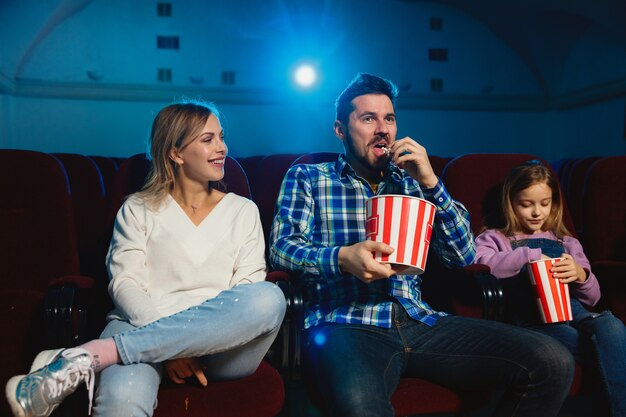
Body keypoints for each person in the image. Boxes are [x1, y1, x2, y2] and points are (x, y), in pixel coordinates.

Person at [269, 73, 575, 417]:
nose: (382, 128)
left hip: (419, 319)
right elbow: (283, 248)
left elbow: (463, 256)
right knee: (361, 407)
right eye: (368, 118)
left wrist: (431, 181)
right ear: (340, 129)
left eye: (389, 118)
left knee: (552, 361)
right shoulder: (310, 177)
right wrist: (342, 258)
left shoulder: (413, 180)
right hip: (346, 322)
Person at [5, 100, 286, 417]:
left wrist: (185, 343)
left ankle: (92, 355)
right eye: (208, 140)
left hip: (221, 347)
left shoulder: (242, 210)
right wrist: (169, 349)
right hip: (138, 324)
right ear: (175, 153)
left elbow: (246, 290)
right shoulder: (137, 208)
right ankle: (105, 355)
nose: (222, 148)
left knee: (267, 297)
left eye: (222, 137)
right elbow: (125, 284)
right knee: (123, 402)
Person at [475, 160, 626, 417]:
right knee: (586, 343)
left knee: (612, 326)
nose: (537, 212)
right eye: (526, 204)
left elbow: (593, 298)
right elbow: (483, 264)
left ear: (554, 204)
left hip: (573, 308)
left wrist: (580, 275)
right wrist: (526, 256)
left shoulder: (565, 242)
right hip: (532, 319)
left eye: (545, 204)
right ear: (510, 203)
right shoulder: (495, 237)